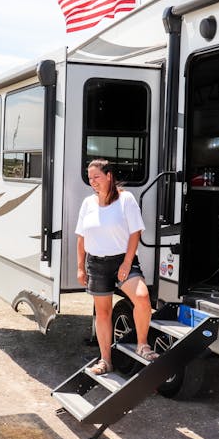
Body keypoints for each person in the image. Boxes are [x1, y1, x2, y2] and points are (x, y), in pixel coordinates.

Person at [75, 158, 159, 375]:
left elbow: (135, 232)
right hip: (96, 263)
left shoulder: (126, 199)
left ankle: (143, 344)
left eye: (97, 177)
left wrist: (127, 262)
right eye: (90, 177)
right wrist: (81, 267)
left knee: (142, 298)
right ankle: (106, 361)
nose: (93, 181)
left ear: (109, 176)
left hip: (123, 259)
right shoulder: (88, 204)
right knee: (103, 313)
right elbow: (81, 238)